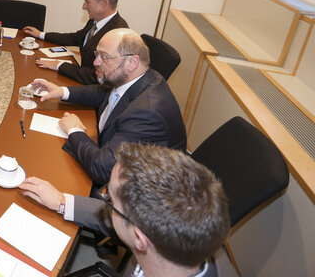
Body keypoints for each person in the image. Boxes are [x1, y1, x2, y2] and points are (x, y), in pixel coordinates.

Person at [19, 143, 233, 277]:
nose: (105, 201)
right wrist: (61, 201)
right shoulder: (179, 247)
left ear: (140, 239)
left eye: (110, 200)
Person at [32, 28, 186, 186]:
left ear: (132, 62)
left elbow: (102, 169)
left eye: (104, 57)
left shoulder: (147, 114)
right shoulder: (137, 77)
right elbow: (103, 92)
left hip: (138, 194)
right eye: (97, 54)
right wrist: (62, 91)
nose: (96, 62)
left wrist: (74, 130)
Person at [25, 0, 128, 85]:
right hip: (79, 81)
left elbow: (97, 77)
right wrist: (41, 34)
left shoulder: (118, 35)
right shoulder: (96, 19)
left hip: (90, 92)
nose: (84, 6)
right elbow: (77, 37)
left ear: (103, 3)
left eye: (87, 2)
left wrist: (59, 65)